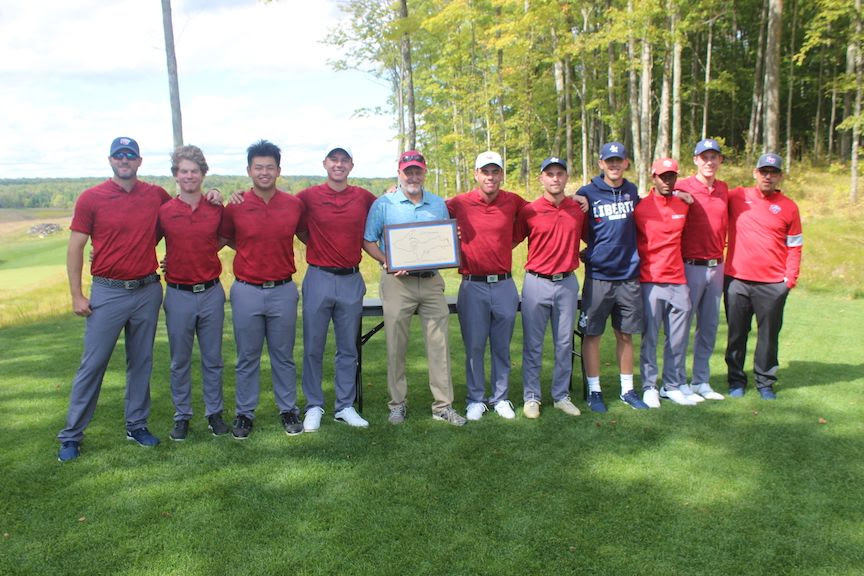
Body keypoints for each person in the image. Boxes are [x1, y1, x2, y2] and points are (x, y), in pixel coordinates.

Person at [58, 137, 170, 462]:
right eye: (119, 156)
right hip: (107, 292)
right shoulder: (91, 198)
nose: (125, 161)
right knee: (93, 365)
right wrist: (77, 294)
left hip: (147, 290)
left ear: (139, 161)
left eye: (130, 156)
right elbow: (76, 247)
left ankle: (136, 425)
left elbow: (175, 221)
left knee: (141, 362)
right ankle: (71, 435)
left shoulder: (155, 195)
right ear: (110, 160)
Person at [362, 150, 466, 426]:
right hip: (397, 283)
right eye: (408, 171)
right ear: (400, 172)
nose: (413, 176)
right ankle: (397, 404)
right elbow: (369, 240)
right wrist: (387, 262)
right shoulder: (384, 203)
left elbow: (443, 241)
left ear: (424, 172)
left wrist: (450, 241)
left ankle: (443, 406)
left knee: (439, 344)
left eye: (417, 171)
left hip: (431, 282)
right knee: (396, 345)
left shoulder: (436, 203)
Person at [219, 140, 305, 439]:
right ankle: (244, 413)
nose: (265, 172)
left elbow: (308, 234)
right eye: (259, 167)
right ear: (249, 170)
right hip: (246, 290)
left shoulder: (293, 204)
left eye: (270, 167)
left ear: (279, 170)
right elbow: (221, 239)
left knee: (283, 355)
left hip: (283, 289)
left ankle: (288, 409)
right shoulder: (236, 205)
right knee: (247, 356)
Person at [297, 145, 376, 431]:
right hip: (318, 277)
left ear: (351, 166)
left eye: (344, 161)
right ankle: (314, 406)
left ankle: (344, 405)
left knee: (348, 348)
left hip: (351, 279)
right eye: (334, 160)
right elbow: (292, 223)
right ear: (325, 164)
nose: (339, 165)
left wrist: (394, 191)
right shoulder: (307, 196)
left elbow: (385, 216)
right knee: (313, 347)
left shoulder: (364, 197)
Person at [446, 151, 527, 420]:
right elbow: (429, 212)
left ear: (502, 174)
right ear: (476, 174)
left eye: (495, 171)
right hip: (472, 285)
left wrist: (577, 198)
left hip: (504, 285)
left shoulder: (513, 201)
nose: (490, 177)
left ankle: (501, 397)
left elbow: (538, 213)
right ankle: (476, 399)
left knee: (502, 346)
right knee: (475, 346)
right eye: (485, 171)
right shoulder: (459, 203)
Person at [158, 145, 229, 441]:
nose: (189, 176)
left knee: (213, 358)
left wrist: (200, 253)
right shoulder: (164, 211)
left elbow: (225, 236)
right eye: (184, 171)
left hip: (211, 291)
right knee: (179, 360)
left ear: (203, 174)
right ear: (176, 175)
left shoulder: (216, 208)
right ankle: (182, 415)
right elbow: (140, 239)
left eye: (194, 171)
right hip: (178, 294)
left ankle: (214, 413)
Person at [577, 142, 650, 411]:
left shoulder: (632, 192)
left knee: (626, 335)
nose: (614, 165)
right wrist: (591, 252)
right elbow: (577, 225)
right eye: (610, 161)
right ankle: (594, 391)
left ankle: (627, 390)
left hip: (629, 275)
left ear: (626, 163)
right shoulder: (587, 192)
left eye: (619, 160)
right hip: (599, 277)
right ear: (601, 163)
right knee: (592, 335)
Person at [724, 153, 802, 400]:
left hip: (772, 284)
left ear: (779, 176)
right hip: (736, 280)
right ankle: (736, 380)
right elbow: (708, 201)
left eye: (773, 172)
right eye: (764, 171)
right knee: (737, 333)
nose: (768, 176)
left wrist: (789, 280)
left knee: (768, 336)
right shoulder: (737, 196)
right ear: (755, 173)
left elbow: (795, 246)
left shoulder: (789, 206)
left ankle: (765, 382)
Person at [515, 157, 586, 418]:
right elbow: (508, 239)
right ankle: (532, 397)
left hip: (567, 282)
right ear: (541, 178)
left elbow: (594, 238)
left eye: (560, 173)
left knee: (564, 343)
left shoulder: (578, 209)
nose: (555, 178)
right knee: (533, 344)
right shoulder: (529, 211)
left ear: (566, 177)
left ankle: (561, 396)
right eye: (550, 174)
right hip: (536, 282)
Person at [634, 158, 695, 407]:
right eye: (663, 176)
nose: (667, 181)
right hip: (650, 281)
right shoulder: (640, 208)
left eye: (671, 176)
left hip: (678, 280)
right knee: (650, 337)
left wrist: (686, 195)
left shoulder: (684, 203)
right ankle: (649, 386)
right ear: (653, 177)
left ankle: (671, 385)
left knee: (678, 338)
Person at [675, 138, 728, 401]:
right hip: (689, 265)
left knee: (708, 326)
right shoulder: (682, 186)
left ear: (719, 161)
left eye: (714, 157)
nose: (709, 162)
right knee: (681, 326)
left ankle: (701, 380)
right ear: (695, 159)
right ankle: (677, 381)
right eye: (704, 157)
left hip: (716, 265)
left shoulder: (724, 189)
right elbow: (655, 198)